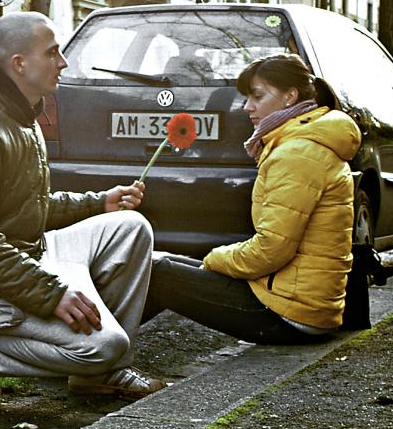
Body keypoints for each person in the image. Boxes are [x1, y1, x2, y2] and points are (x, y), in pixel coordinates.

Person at [0, 11, 165, 399]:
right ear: (19, 64)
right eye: (53, 52)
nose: (63, 62)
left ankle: (99, 376)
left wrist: (100, 203)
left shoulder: (23, 120)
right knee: (104, 346)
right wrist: (52, 294)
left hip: (28, 256)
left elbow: (30, 207)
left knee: (130, 226)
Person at [142, 53, 362, 344]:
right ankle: (101, 352)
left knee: (158, 274)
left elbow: (271, 250)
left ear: (289, 96)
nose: (247, 107)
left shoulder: (298, 152)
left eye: (257, 96)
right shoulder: (301, 142)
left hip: (290, 314)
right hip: (295, 300)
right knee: (160, 261)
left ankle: (98, 356)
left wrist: (214, 258)